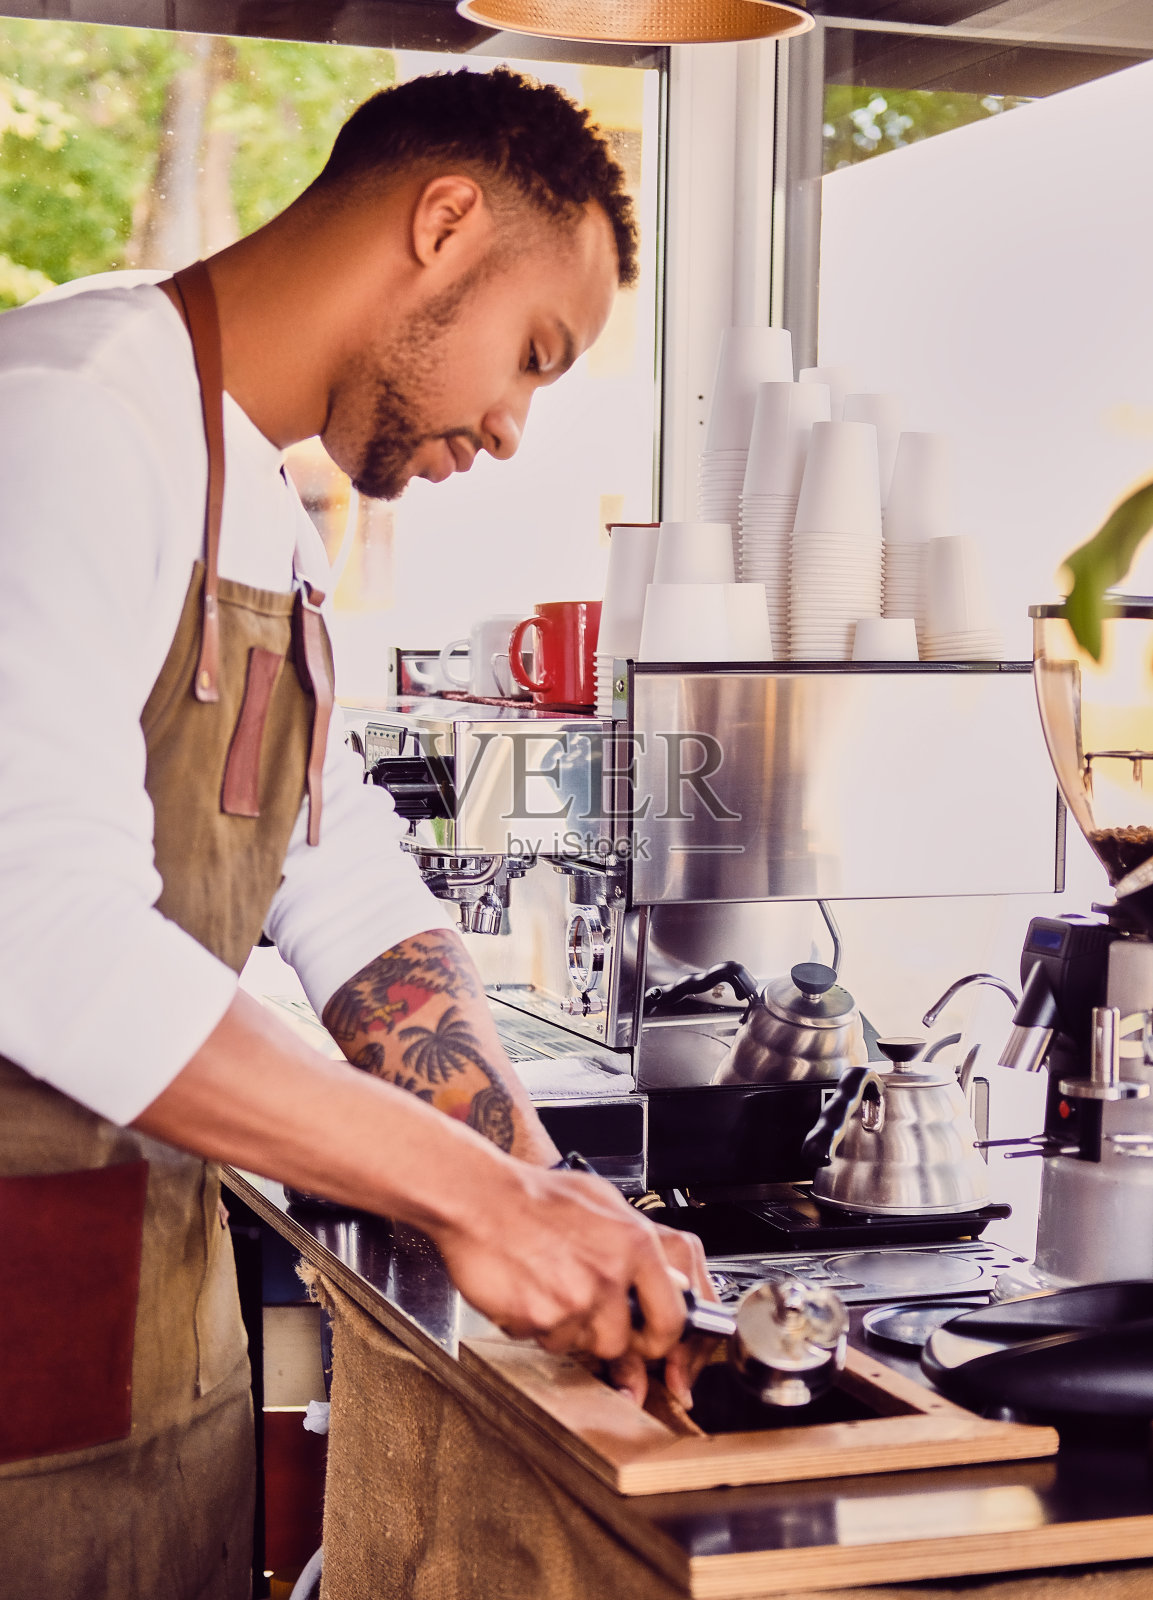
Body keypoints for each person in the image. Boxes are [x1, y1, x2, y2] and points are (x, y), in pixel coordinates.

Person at [0, 67, 712, 1599]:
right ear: (444, 222)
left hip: (136, 1375)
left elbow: (339, 881)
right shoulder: (60, 419)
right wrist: (474, 1199)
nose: (515, 427)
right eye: (531, 353)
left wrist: (535, 1178)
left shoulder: (259, 506)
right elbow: (39, 936)